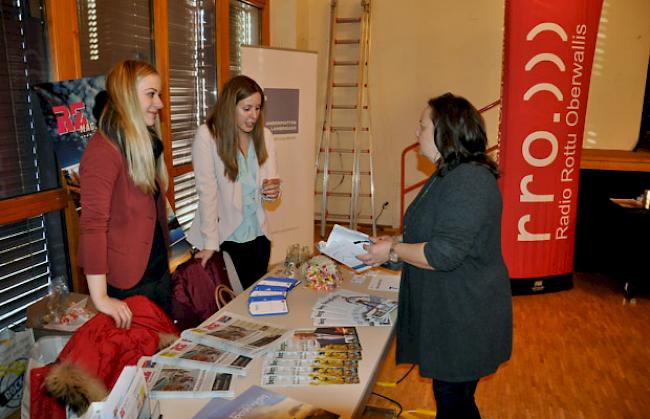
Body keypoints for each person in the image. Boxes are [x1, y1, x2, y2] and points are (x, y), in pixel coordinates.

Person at [357, 93, 513, 418]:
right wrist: (392, 245)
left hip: (464, 316)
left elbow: (443, 253)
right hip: (453, 310)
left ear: (446, 131)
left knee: (454, 402)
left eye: (422, 125)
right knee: (452, 398)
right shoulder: (449, 173)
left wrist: (394, 249)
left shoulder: (469, 180)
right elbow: (433, 235)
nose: (416, 133)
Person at [78, 60, 171, 329]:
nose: (160, 103)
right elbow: (92, 225)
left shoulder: (144, 143)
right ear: (127, 97)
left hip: (158, 273)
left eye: (159, 94)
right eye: (151, 94)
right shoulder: (102, 150)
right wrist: (101, 297)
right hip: (130, 284)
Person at [187, 75, 280, 290]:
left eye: (258, 108)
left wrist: (271, 192)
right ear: (230, 106)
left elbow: (270, 187)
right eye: (247, 109)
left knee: (255, 300)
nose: (254, 116)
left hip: (259, 237)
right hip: (224, 238)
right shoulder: (208, 136)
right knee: (227, 305)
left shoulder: (265, 136)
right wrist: (210, 244)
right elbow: (207, 193)